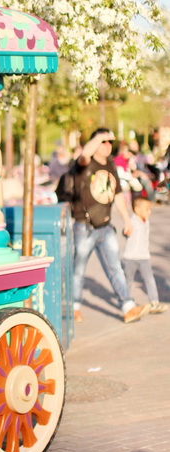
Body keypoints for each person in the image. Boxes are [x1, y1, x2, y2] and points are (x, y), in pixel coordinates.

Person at [70, 128, 150, 325]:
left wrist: (127, 219)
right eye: (103, 142)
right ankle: (74, 307)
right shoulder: (85, 164)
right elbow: (84, 155)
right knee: (79, 270)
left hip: (105, 227)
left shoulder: (111, 165)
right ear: (95, 142)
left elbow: (118, 195)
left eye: (109, 142)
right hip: (85, 226)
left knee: (115, 268)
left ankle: (128, 307)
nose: (107, 146)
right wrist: (98, 137)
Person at [122, 195, 167, 314]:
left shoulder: (146, 221)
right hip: (130, 257)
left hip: (144, 257)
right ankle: (127, 303)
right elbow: (126, 230)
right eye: (147, 209)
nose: (150, 212)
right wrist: (125, 231)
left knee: (150, 279)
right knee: (128, 281)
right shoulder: (132, 221)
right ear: (137, 210)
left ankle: (154, 303)